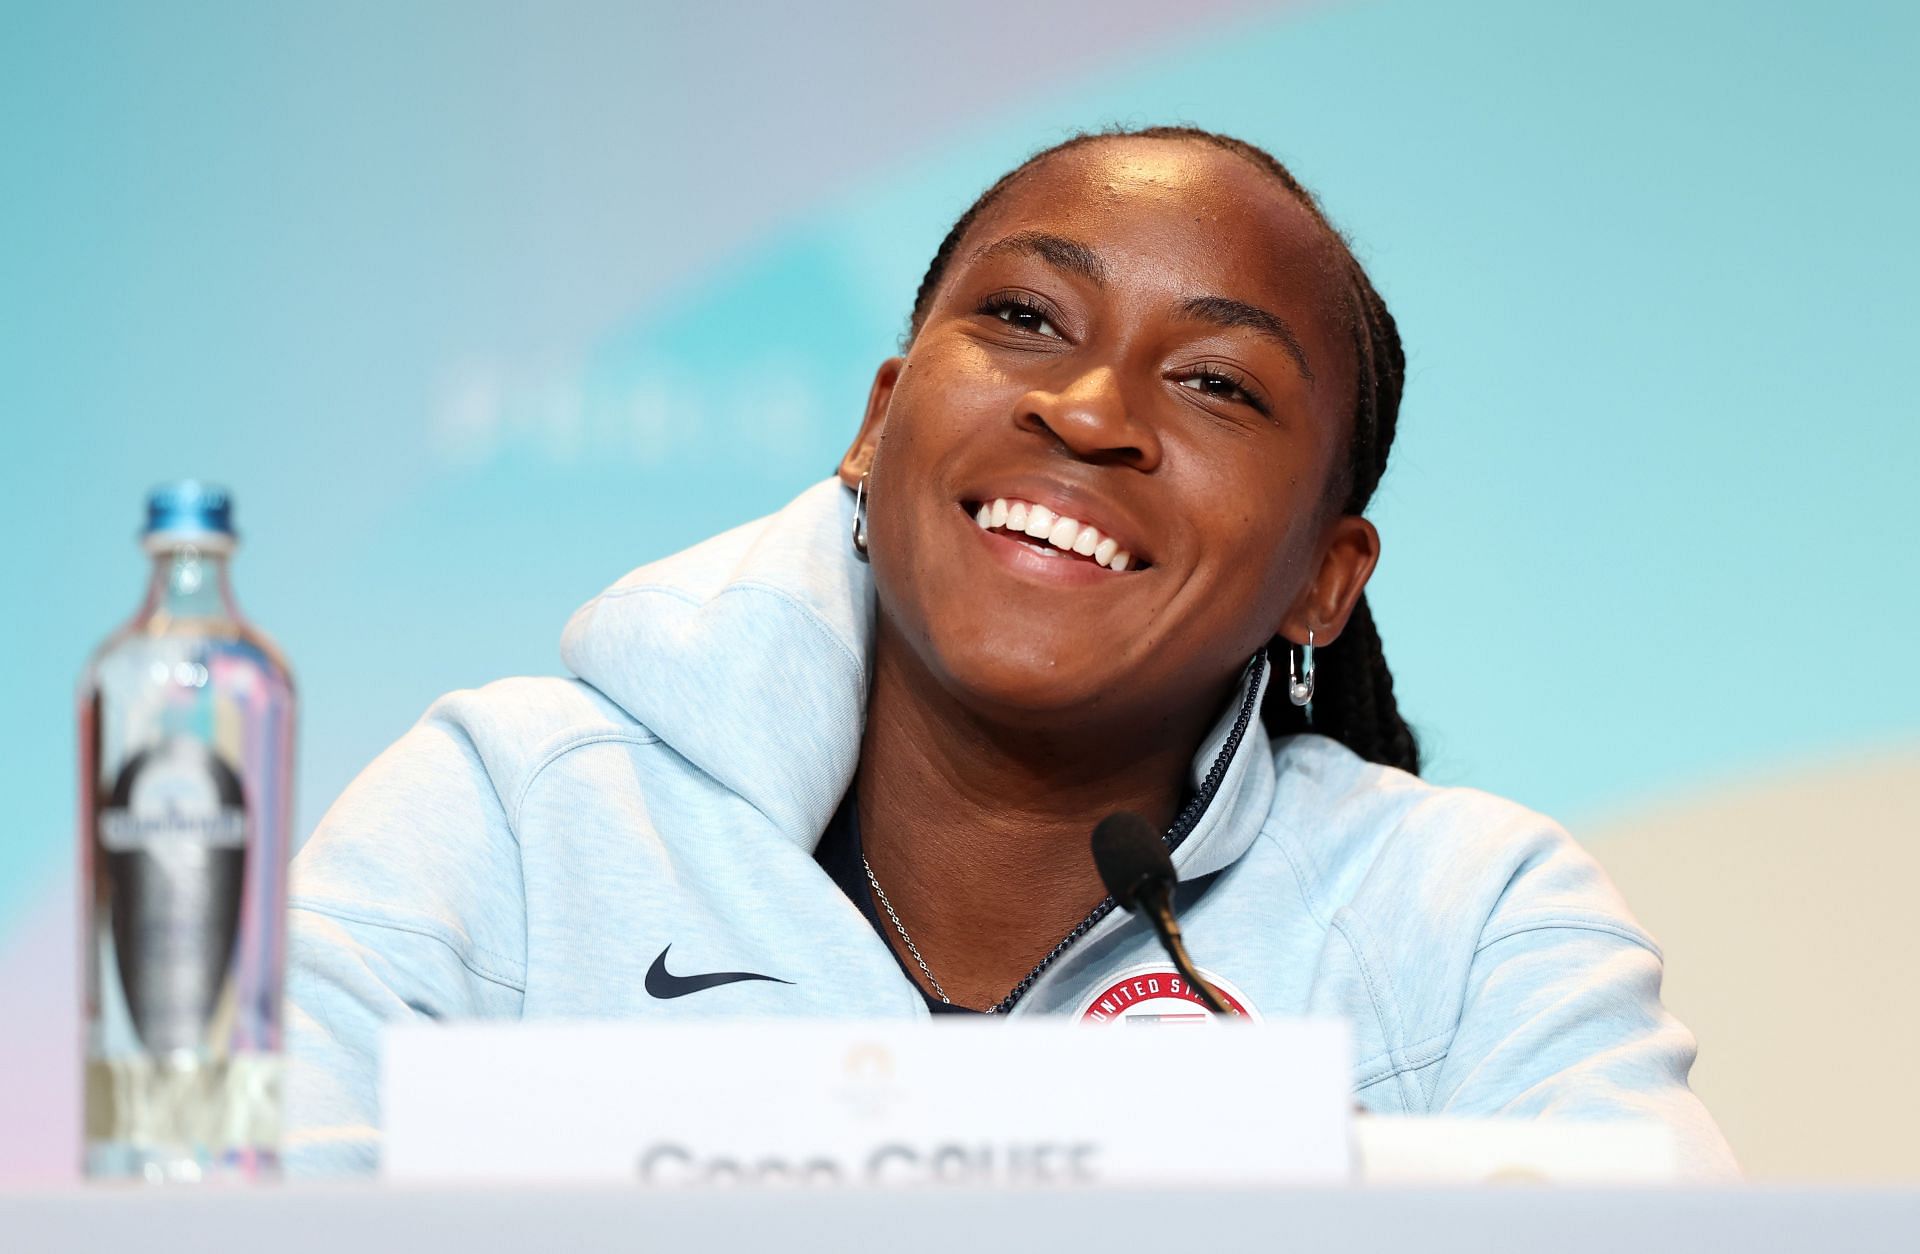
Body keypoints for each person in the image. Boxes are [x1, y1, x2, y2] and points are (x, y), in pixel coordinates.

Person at [285, 125, 1738, 1177]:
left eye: (1218, 382)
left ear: (1323, 580)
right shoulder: (511, 816)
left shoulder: (1469, 918)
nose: (1093, 408)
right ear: (878, 421)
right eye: (1026, 318)